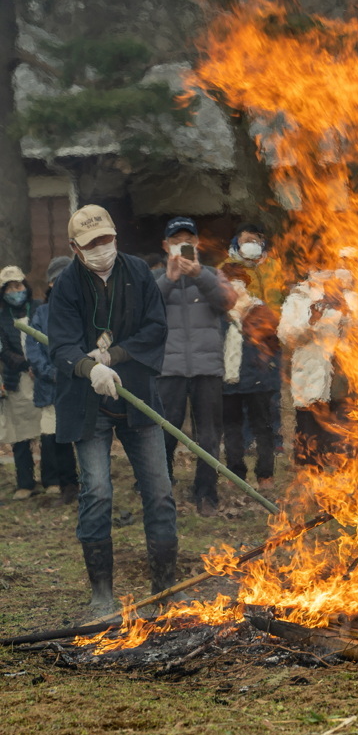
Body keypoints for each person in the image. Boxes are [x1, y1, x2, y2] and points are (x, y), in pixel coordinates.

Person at [49, 204, 177, 616]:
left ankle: (164, 589)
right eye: (91, 244)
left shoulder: (138, 272)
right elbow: (61, 345)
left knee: (159, 492)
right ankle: (101, 592)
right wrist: (89, 370)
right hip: (88, 403)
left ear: (115, 236)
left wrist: (115, 358)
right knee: (97, 492)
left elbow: (156, 327)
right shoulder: (67, 284)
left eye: (106, 240)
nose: (101, 248)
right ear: (75, 247)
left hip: (137, 394)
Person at [155, 217, 237, 517]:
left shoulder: (213, 274)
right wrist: (169, 279)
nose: (182, 244)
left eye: (188, 239)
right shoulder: (155, 278)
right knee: (164, 432)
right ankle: (160, 489)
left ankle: (206, 493)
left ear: (197, 244)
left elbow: (228, 301)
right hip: (169, 369)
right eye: (176, 240)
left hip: (207, 369)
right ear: (166, 245)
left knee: (209, 435)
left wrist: (200, 274)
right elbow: (143, 310)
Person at [278, 268, 358, 470]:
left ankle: (343, 481)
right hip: (312, 374)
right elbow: (287, 337)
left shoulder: (348, 293)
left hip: (343, 376)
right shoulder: (298, 298)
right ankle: (309, 481)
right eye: (318, 266)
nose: (324, 271)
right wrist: (311, 320)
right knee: (310, 431)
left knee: (344, 434)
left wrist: (349, 316)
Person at [221, 269, 281, 492]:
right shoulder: (219, 313)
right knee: (232, 429)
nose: (236, 287)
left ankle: (265, 474)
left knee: (263, 428)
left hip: (258, 380)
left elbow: (273, 342)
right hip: (228, 380)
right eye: (230, 283)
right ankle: (235, 473)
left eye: (239, 283)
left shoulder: (260, 310)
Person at [25, 256, 79, 504]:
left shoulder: (84, 310)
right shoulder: (42, 313)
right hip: (50, 387)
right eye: (59, 280)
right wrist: (50, 372)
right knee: (54, 436)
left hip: (79, 384)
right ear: (51, 284)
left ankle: (88, 484)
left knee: (84, 437)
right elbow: (33, 348)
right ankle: (66, 484)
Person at [0, 266, 43, 499]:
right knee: (20, 434)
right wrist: (25, 365)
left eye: (17, 286)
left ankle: (53, 478)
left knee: (48, 430)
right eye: (9, 288)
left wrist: (39, 364)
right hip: (16, 379)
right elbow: (3, 349)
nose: (14, 291)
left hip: (43, 376)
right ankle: (25, 482)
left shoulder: (39, 309)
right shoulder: (1, 317)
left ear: (24, 285)